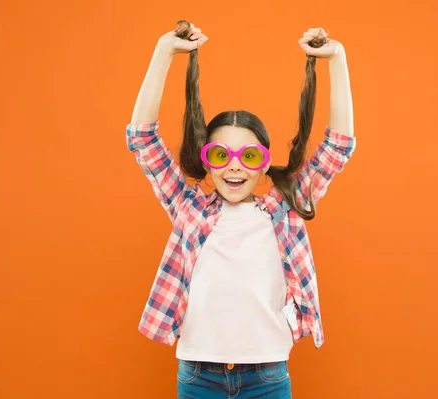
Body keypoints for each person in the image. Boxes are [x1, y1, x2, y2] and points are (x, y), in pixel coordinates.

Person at [126, 20, 356, 399]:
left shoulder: (285, 211)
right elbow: (142, 138)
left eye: (248, 155)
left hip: (266, 375)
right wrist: (164, 51)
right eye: (221, 155)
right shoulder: (188, 209)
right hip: (198, 375)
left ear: (264, 163)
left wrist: (337, 59)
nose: (234, 166)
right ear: (208, 162)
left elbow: (338, 147)